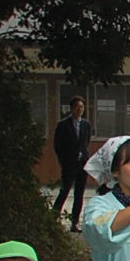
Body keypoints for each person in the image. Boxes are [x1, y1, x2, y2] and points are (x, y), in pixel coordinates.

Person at [51, 96, 93, 231]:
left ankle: (74, 223)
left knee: (79, 194)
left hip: (83, 163)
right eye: (77, 107)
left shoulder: (86, 124)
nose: (80, 110)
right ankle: (52, 219)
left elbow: (86, 142)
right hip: (69, 164)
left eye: (82, 107)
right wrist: (63, 161)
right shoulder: (63, 125)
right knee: (64, 191)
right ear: (71, 108)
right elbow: (58, 145)